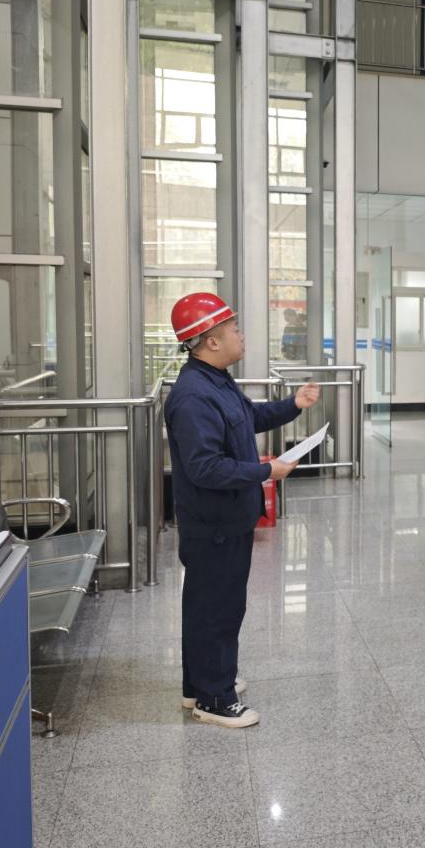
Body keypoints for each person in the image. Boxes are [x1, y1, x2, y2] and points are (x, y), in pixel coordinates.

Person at [164, 292, 319, 728]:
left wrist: (293, 405)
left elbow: (248, 417)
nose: (241, 335)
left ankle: (200, 684)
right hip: (213, 524)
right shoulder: (194, 397)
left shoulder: (215, 380)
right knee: (217, 608)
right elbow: (205, 467)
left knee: (212, 605)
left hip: (226, 518)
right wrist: (267, 470)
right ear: (211, 341)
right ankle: (214, 698)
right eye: (233, 329)